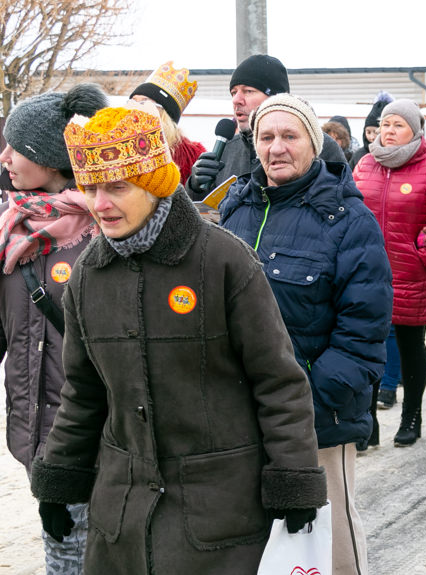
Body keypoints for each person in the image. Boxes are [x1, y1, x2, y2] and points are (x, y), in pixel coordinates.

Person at [29, 102, 327, 575]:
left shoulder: (223, 261)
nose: (100, 203)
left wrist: (293, 480)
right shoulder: (87, 276)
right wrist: (61, 481)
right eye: (90, 188)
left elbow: (279, 382)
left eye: (116, 186)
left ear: (154, 183)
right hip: (122, 518)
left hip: (220, 518)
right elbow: (83, 394)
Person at [220, 94, 391, 575]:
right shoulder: (236, 207)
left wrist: (300, 403)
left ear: (313, 145)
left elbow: (362, 337)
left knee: (329, 537)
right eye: (266, 137)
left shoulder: (349, 221)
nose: (277, 148)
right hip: (242, 413)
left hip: (317, 417)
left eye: (289, 136)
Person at [0, 83, 107, 575]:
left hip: (97, 440)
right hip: (33, 434)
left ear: (49, 156)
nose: (4, 156)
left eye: (15, 146)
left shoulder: (101, 230)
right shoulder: (12, 230)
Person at [353, 99, 426, 447]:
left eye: (398, 124)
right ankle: (367, 423)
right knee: (367, 348)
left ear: (415, 130)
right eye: (385, 124)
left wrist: (425, 253)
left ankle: (411, 416)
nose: (389, 131)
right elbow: (350, 209)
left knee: (411, 346)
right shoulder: (366, 164)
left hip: (413, 273)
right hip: (369, 274)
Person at [187, 54, 345, 199]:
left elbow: (342, 206)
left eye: (248, 91)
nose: (237, 100)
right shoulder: (227, 150)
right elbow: (203, 218)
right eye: (233, 92)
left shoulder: (319, 145)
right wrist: (195, 187)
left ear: (276, 98)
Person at [130, 61, 206, 183]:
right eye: (133, 101)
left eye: (144, 102)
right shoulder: (122, 146)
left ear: (164, 114)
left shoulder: (192, 156)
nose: (135, 108)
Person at [349, 91, 393, 170]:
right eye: (368, 132)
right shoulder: (358, 155)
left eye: (376, 132)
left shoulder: (393, 155)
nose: (371, 137)